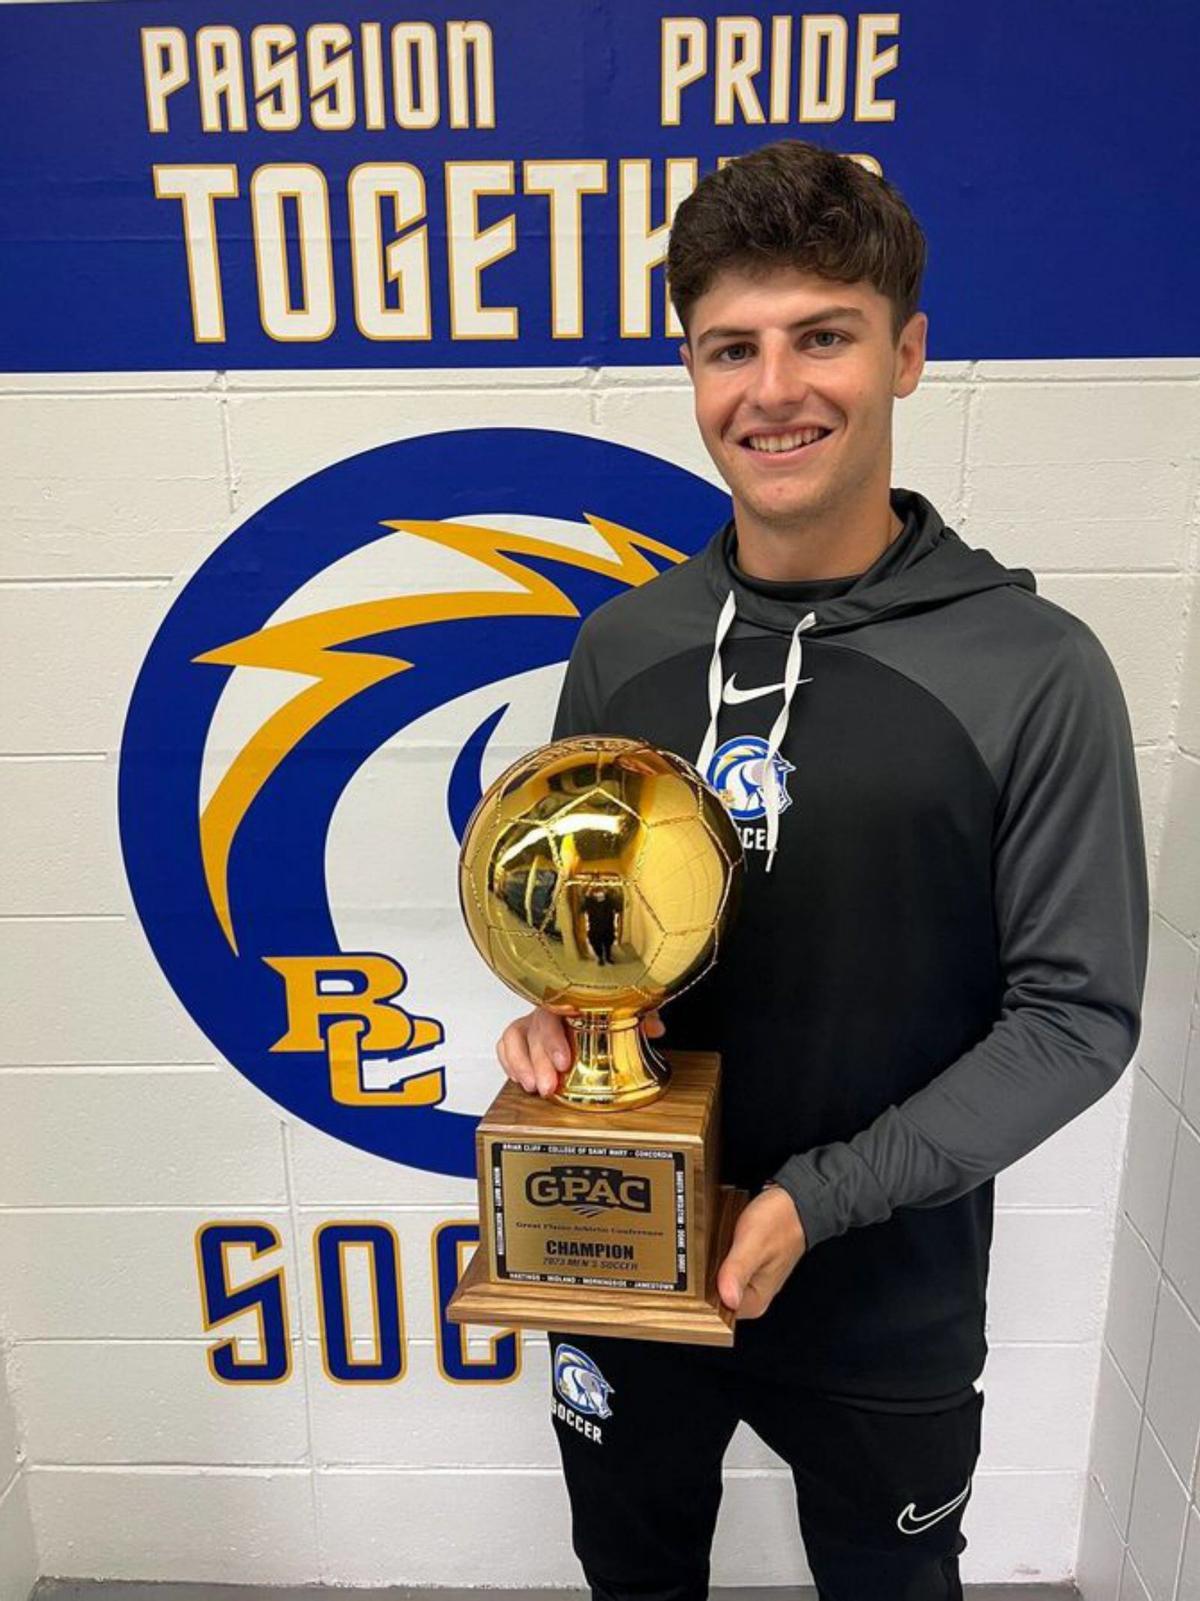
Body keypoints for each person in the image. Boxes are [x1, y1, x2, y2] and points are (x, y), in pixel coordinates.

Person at [495, 140, 1148, 1600]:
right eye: (731, 347)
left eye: (823, 337)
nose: (772, 388)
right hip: (627, 1267)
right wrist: (560, 1024)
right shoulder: (626, 648)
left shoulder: (1033, 671)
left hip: (886, 1296)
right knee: (634, 1576)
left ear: (907, 355)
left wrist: (816, 1198)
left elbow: (1077, 1017)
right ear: (691, 368)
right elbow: (581, 943)